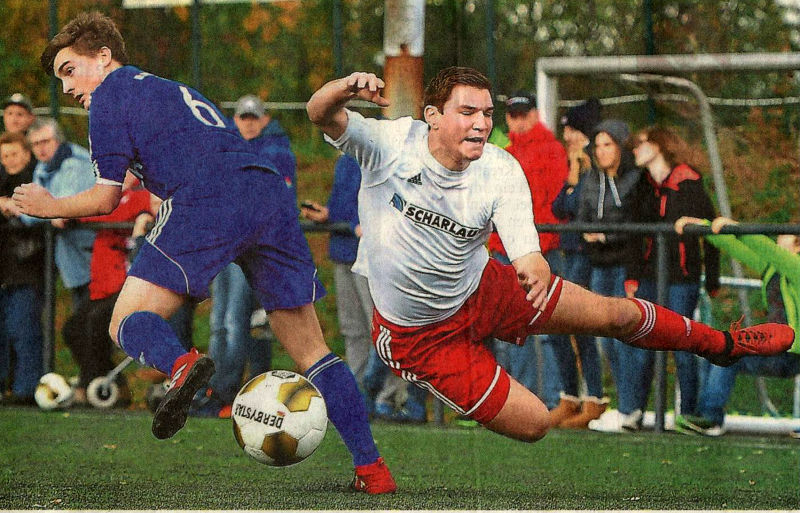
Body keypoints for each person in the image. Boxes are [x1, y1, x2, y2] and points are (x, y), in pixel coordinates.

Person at [305, 66, 792, 444]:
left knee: (615, 315)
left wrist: (533, 263)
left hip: (484, 290)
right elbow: (319, 112)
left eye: (487, 113)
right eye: (467, 112)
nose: (481, 123)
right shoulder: (390, 143)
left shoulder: (499, 167)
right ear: (432, 115)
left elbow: (524, 246)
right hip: (419, 336)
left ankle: (722, 345)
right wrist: (344, 87)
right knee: (534, 423)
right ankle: (372, 455)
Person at [14, 12, 395, 494]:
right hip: (266, 193)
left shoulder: (109, 95)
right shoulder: (167, 88)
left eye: (70, 70)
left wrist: (48, 205)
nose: (67, 87)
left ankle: (181, 366)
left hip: (206, 198)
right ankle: (372, 470)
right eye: (60, 79)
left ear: (104, 57)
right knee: (312, 350)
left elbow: (105, 198)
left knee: (124, 322)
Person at [189, 94, 295, 419]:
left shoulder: (277, 152)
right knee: (220, 322)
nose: (248, 124)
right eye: (243, 118)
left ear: (264, 120)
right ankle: (216, 389)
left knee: (236, 321)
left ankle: (226, 392)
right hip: (225, 245)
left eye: (254, 118)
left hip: (251, 248)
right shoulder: (230, 148)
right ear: (235, 120)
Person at [301, 153, 427, 423]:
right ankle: (359, 395)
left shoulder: (383, 153)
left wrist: (368, 224)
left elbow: (397, 199)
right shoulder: (345, 158)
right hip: (344, 249)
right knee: (353, 329)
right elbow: (347, 203)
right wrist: (329, 214)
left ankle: (390, 397)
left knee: (382, 330)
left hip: (374, 255)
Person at [626, 126, 721, 424]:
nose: (635, 150)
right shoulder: (642, 184)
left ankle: (688, 413)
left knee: (682, 344)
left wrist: (713, 278)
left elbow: (711, 229)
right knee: (643, 341)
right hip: (650, 275)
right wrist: (632, 276)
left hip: (682, 276)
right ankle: (636, 411)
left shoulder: (688, 181)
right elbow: (634, 235)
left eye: (641, 143)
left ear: (658, 145)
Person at [675, 215, 800, 436]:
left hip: (793, 353)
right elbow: (735, 248)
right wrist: (703, 227)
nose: (779, 238)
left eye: (785, 235)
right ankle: (706, 416)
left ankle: (710, 418)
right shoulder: (773, 268)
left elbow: (767, 249)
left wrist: (738, 228)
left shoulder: (795, 267)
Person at [485, 90, 567, 408]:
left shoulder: (550, 150)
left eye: (523, 115)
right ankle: (525, 398)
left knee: (543, 329)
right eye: (513, 116)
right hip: (510, 250)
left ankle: (549, 399)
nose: (518, 122)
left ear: (534, 114)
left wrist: (535, 249)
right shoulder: (504, 152)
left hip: (535, 251)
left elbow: (551, 204)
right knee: (512, 328)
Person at [573, 119, 650, 433]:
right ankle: (626, 406)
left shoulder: (637, 179)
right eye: (598, 146)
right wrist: (589, 233)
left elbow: (636, 224)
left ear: (620, 146)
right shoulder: (591, 179)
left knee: (626, 340)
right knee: (607, 342)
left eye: (608, 145)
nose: (602, 151)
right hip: (599, 266)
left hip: (625, 267)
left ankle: (632, 409)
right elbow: (581, 216)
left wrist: (607, 235)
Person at [62, 171, 153, 407]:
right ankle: (113, 383)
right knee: (72, 329)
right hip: (103, 286)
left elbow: (110, 211)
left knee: (96, 324)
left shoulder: (141, 194)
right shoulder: (105, 193)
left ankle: (88, 384)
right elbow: (95, 207)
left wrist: (72, 212)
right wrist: (66, 212)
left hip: (127, 285)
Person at [549, 98, 607, 428]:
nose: (566, 135)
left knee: (579, 325)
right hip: (569, 253)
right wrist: (571, 176)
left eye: (571, 129)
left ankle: (593, 398)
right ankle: (571, 396)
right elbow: (559, 207)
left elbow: (573, 206)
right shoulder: (577, 165)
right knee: (561, 325)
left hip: (585, 256)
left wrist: (574, 178)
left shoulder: (593, 166)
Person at [22, 117, 96, 315]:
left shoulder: (76, 163)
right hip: (70, 256)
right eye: (35, 144)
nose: (41, 148)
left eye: (45, 141)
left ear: (58, 140)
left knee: (91, 320)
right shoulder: (43, 167)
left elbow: (62, 209)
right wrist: (42, 209)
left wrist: (43, 209)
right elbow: (29, 213)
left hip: (91, 252)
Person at [0, 132, 44, 404]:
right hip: (6, 270)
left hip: (27, 268)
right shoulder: (3, 181)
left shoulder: (35, 181)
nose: (9, 160)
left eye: (14, 154)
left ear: (27, 154)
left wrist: (11, 206)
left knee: (23, 328)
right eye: (4, 156)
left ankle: (26, 389)